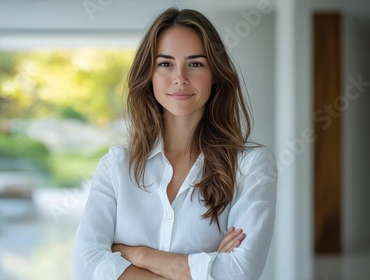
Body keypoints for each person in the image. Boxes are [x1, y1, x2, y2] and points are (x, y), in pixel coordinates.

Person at [72, 7, 277, 280]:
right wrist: (204, 266)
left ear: (215, 73)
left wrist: (139, 255)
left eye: (195, 63)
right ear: (149, 75)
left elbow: (240, 272)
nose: (180, 78)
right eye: (165, 64)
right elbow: (86, 266)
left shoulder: (250, 166)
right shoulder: (116, 165)